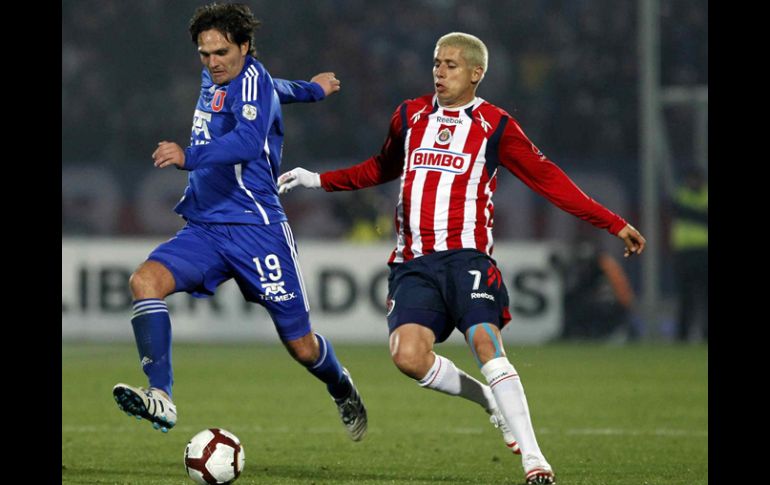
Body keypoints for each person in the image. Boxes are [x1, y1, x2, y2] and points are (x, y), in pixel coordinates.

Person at [278, 32, 646, 484]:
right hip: (413, 262)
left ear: (476, 74)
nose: (440, 71)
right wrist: (317, 179)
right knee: (408, 357)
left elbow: (550, 180)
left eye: (451, 65)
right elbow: (382, 166)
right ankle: (489, 401)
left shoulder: (495, 125)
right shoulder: (409, 115)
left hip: (467, 257)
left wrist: (612, 222)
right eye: (436, 63)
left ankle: (534, 459)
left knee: (486, 344)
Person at [111, 3, 368, 442]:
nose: (212, 62)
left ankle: (341, 386)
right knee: (144, 281)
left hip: (256, 228)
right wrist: (313, 91)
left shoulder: (251, 78)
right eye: (204, 54)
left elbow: (249, 141)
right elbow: (278, 87)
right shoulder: (222, 76)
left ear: (245, 47)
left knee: (302, 346)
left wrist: (187, 157)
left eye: (222, 52)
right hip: (205, 227)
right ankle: (162, 396)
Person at [670, 165, 708, 342]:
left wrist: (688, 213)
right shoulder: (680, 195)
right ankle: (682, 336)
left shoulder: (701, 196)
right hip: (685, 253)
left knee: (704, 296)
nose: (693, 182)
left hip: (704, 252)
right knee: (686, 297)